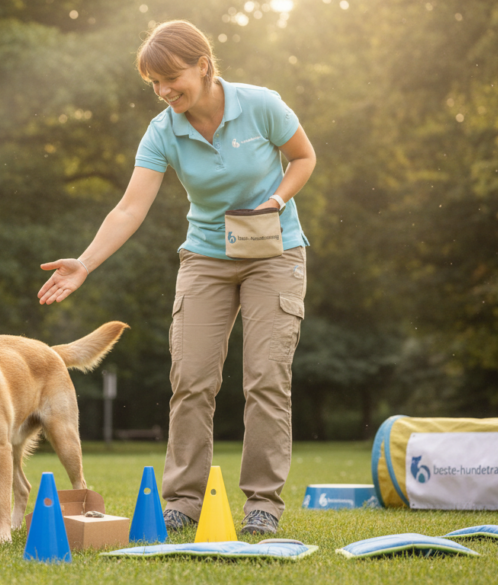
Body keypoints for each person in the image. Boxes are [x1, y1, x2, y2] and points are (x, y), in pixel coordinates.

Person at [36, 20, 315, 535]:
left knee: (265, 379)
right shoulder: (164, 129)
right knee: (191, 380)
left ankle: (263, 505)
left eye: (171, 78)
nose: (164, 92)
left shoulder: (260, 105)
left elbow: (303, 157)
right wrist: (85, 262)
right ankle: (183, 501)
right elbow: (129, 208)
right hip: (207, 257)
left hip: (274, 253)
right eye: (155, 84)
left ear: (204, 65)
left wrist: (276, 200)